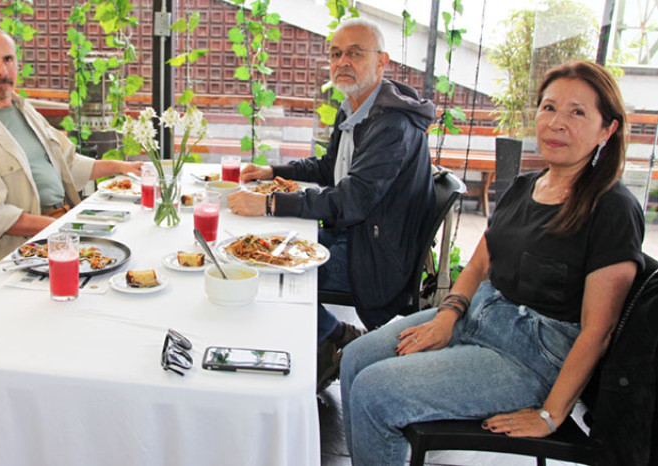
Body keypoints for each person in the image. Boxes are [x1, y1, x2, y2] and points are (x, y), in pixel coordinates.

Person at [338, 60, 644, 465]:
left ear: (608, 129)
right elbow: (480, 265)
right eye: (549, 108)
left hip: (532, 357)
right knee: (356, 358)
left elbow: (597, 332)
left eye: (577, 112)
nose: (557, 123)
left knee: (375, 391)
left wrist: (551, 414)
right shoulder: (524, 186)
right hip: (479, 316)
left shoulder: (612, 208)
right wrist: (447, 316)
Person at [226, 18, 436, 387]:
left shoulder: (392, 125)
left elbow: (351, 199)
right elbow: (328, 167)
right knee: (253, 249)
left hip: (375, 257)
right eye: (336, 53)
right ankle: (331, 336)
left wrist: (272, 204)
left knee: (263, 269)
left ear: (382, 61)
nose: (342, 62)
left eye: (355, 53)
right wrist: (270, 170)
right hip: (353, 238)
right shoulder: (355, 107)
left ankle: (325, 339)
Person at [0, 27, 143, 267]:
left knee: (139, 237)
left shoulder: (22, 109)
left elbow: (68, 164)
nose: (1, 71)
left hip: (62, 224)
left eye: (8, 60)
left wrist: (123, 167)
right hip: (27, 250)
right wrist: (63, 227)